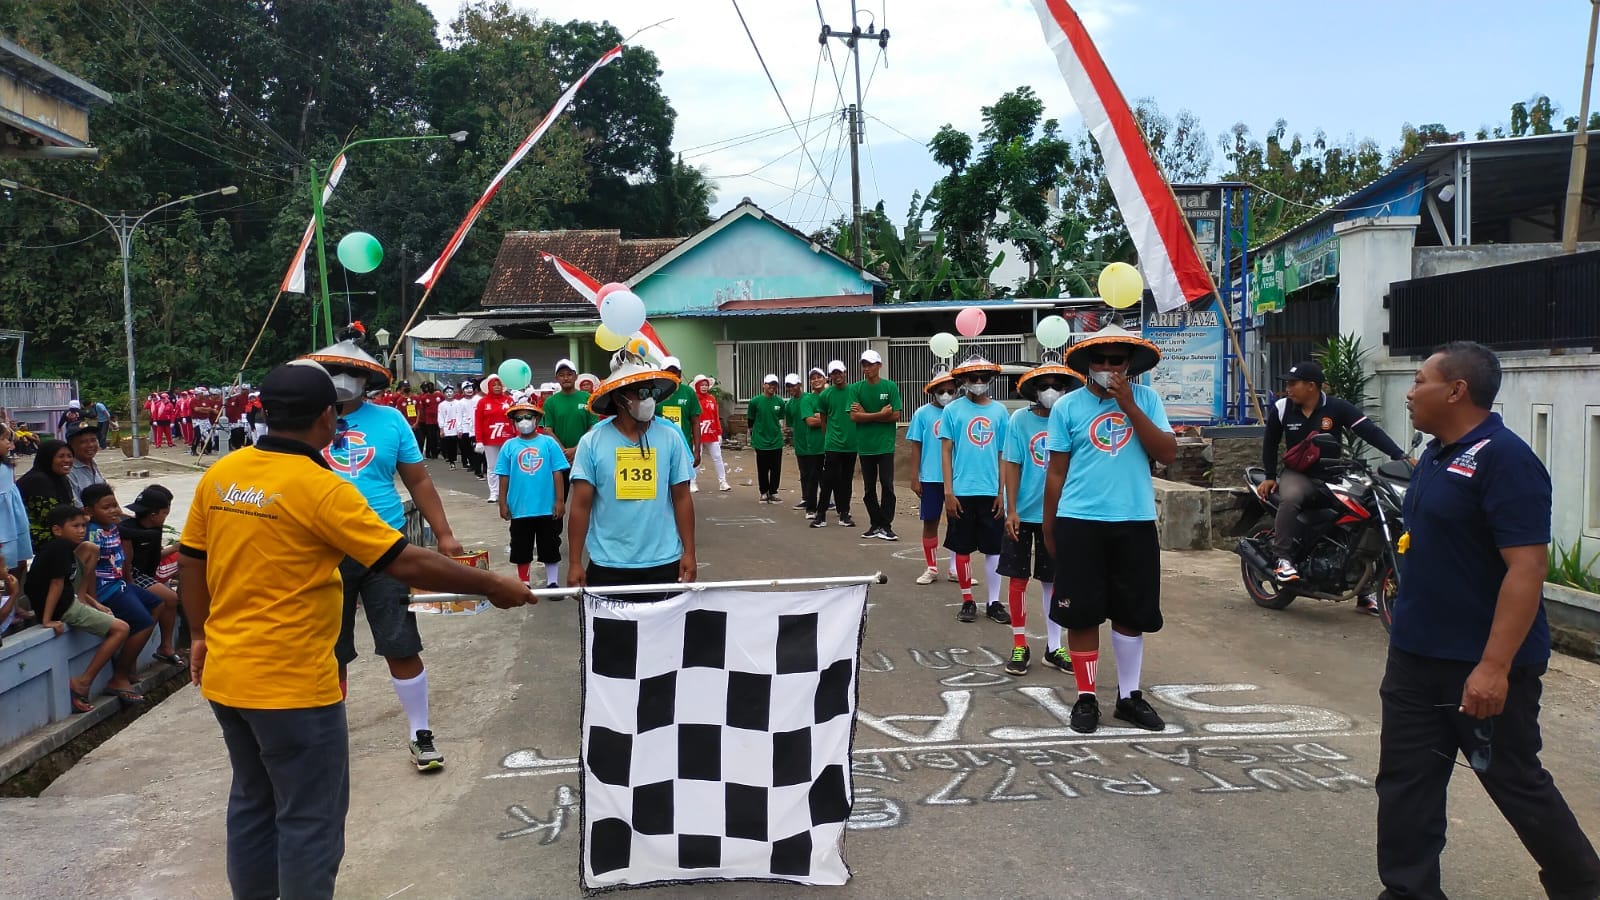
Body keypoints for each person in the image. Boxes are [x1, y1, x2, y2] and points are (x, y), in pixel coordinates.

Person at [178, 358, 530, 900]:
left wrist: (199, 635)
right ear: (326, 416)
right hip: (292, 686)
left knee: (253, 803)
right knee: (309, 820)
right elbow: (403, 561)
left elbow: (191, 561)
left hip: (227, 676)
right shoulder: (322, 488)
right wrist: (489, 585)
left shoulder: (222, 475)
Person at [1376, 341, 1600, 899]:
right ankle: (1409, 892)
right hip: (1416, 657)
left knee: (1515, 782)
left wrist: (1494, 667)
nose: (1408, 391)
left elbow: (1526, 569)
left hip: (1482, 666)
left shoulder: (1507, 459)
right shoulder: (1434, 453)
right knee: (1406, 785)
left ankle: (1583, 886)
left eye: (1420, 380)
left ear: (1456, 390)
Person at [304, 334, 469, 771]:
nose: (343, 380)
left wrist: (444, 534)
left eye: (353, 374)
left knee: (400, 641)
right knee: (326, 649)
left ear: (367, 381)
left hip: (384, 546)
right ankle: (327, 737)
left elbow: (418, 481)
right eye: (335, 372)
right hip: (321, 550)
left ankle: (420, 732)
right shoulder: (303, 422)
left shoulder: (392, 420)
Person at [1041, 325, 1175, 734]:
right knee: (1081, 614)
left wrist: (1130, 406)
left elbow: (1166, 453)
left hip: (1133, 520)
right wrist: (1050, 526)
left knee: (1130, 613)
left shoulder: (1148, 400)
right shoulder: (1067, 408)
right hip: (1079, 521)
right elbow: (1056, 473)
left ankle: (1129, 697)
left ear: (1129, 365)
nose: (1106, 367)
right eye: (1098, 360)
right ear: (1086, 365)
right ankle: (1085, 698)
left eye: (1115, 361)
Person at [1257, 359, 1409, 592]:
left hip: (1334, 477)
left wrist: (1401, 456)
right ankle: (1283, 559)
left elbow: (1369, 431)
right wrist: (1269, 475)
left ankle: (1364, 589)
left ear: (1311, 386)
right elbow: (1270, 444)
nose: (1288, 388)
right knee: (1292, 497)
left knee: (1368, 515)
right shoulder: (1282, 408)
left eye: (1293, 383)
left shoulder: (1338, 407)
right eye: (1287, 383)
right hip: (1298, 475)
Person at [567, 356, 695, 589]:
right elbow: (580, 505)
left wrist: (690, 552)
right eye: (641, 393)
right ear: (619, 397)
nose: (649, 400)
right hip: (609, 564)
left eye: (652, 393)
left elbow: (682, 497)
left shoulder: (670, 437)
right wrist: (575, 562)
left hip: (664, 561)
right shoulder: (592, 442)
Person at [1000, 363, 1081, 676]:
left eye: (1056, 386)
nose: (1050, 392)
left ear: (1065, 389)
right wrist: (1011, 509)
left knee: (1053, 581)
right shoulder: (1019, 420)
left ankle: (1054, 646)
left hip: (1058, 514)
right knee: (1018, 579)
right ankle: (1020, 643)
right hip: (1023, 513)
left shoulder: (1070, 418)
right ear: (1033, 391)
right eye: (1044, 386)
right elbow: (1012, 465)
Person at [28, 504, 131, 713]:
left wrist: (91, 601)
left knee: (92, 548)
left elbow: (64, 583)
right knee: (121, 629)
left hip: (69, 599)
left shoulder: (63, 547)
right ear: (57, 530)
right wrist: (47, 619)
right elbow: (56, 584)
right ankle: (83, 682)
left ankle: (85, 600)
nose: (81, 530)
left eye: (83, 525)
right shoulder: (59, 549)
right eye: (75, 526)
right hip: (63, 607)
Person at [82, 483, 173, 700]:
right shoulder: (93, 533)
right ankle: (119, 676)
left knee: (157, 604)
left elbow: (124, 559)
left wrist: (129, 582)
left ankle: (129, 661)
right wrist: (93, 600)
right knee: (141, 622)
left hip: (119, 583)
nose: (114, 510)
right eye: (107, 507)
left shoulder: (112, 527)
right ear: (89, 511)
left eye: (115, 505)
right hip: (105, 588)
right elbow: (89, 570)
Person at [938, 356, 1011, 625]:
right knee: (963, 547)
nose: (978, 382)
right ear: (963, 381)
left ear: (990, 379)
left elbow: (1004, 454)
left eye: (983, 377)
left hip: (991, 490)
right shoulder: (953, 411)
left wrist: (1001, 492)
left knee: (994, 550)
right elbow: (946, 452)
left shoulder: (1000, 412)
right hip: (962, 490)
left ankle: (993, 601)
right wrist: (948, 491)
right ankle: (967, 599)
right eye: (972, 378)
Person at [495, 399, 570, 589]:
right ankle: (524, 582)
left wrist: (560, 501)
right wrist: (502, 502)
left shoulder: (548, 443)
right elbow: (503, 476)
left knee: (550, 545)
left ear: (537, 419)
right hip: (520, 508)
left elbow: (558, 473)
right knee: (521, 546)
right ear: (514, 422)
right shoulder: (509, 446)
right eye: (519, 418)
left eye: (528, 417)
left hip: (546, 507)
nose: (524, 421)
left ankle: (552, 582)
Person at [908, 371, 960, 585]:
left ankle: (956, 568)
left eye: (950, 391)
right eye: (941, 391)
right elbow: (916, 446)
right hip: (930, 476)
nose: (946, 395)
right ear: (932, 392)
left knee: (957, 523)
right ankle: (931, 567)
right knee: (930, 521)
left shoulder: (959, 412)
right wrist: (914, 477)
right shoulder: (922, 414)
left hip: (957, 477)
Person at [850, 349, 902, 540]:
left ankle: (886, 525)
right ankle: (875, 524)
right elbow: (854, 416)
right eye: (864, 364)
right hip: (865, 446)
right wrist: (880, 415)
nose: (867, 368)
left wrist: (868, 416)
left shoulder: (890, 387)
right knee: (868, 488)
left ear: (879, 365)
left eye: (871, 364)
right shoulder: (856, 388)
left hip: (885, 446)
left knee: (887, 486)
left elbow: (896, 415)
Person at [811, 360, 858, 529]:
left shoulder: (854, 390)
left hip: (852, 444)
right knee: (828, 479)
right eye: (833, 373)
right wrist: (829, 437)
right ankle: (821, 514)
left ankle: (844, 513)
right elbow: (823, 421)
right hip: (833, 444)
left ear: (845, 372)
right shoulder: (825, 395)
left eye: (839, 372)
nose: (837, 376)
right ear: (830, 376)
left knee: (846, 480)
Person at [17, 440, 77, 547]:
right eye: (61, 456)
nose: (67, 460)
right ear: (48, 458)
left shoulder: (62, 479)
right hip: (34, 536)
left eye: (69, 456)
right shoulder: (37, 481)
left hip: (59, 531)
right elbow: (50, 519)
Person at [0, 422, 34, 590]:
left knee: (19, 561)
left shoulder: (7, 465)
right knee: (4, 563)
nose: (10, 444)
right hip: (2, 525)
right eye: (5, 439)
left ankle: (14, 602)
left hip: (15, 520)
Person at [543, 358, 596, 463]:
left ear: (576, 376)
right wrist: (563, 451)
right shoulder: (550, 402)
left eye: (569, 374)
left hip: (584, 454)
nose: (566, 378)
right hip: (559, 456)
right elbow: (547, 429)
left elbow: (593, 426)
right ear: (556, 378)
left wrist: (576, 449)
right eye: (561, 375)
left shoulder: (588, 398)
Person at [473, 374, 515, 504]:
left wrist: (518, 435)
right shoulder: (482, 402)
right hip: (490, 439)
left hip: (507, 438)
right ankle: (494, 492)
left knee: (508, 466)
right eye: (494, 385)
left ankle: (508, 492)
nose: (497, 387)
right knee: (492, 466)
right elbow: (478, 421)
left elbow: (515, 419)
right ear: (489, 387)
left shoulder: (509, 400)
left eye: (499, 384)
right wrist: (479, 440)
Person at [656, 356, 703, 468]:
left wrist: (697, 450)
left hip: (683, 448)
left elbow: (695, 422)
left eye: (675, 372)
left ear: (680, 374)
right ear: (661, 372)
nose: (672, 375)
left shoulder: (688, 393)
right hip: (659, 448)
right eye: (668, 371)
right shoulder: (655, 392)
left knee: (683, 483)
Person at [748, 373, 788, 503]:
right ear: (763, 385)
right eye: (770, 384)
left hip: (776, 440)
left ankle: (773, 492)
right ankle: (764, 492)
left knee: (776, 468)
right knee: (763, 468)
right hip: (760, 440)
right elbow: (751, 419)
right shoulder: (755, 401)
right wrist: (752, 435)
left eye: (774, 385)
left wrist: (782, 431)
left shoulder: (780, 402)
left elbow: (781, 419)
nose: (772, 387)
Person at [690, 374, 731, 493]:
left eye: (706, 385)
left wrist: (719, 432)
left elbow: (716, 416)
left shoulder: (712, 399)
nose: (704, 387)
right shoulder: (693, 399)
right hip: (698, 433)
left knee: (717, 457)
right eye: (701, 385)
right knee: (696, 457)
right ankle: (692, 482)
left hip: (711, 432)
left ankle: (723, 482)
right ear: (697, 386)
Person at [65, 422, 105, 505]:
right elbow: (78, 507)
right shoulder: (68, 472)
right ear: (70, 446)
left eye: (93, 440)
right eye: (83, 442)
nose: (90, 445)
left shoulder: (93, 465)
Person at [417, 381, 442, 459]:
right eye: (428, 386)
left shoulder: (439, 395)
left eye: (432, 386)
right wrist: (424, 419)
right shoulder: (423, 397)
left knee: (439, 437)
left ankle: (439, 452)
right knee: (430, 438)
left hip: (438, 420)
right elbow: (421, 409)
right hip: (428, 421)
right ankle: (430, 453)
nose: (430, 388)